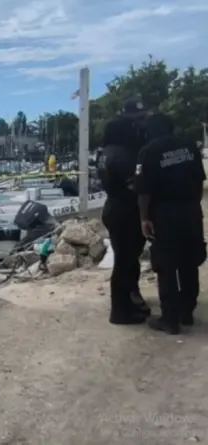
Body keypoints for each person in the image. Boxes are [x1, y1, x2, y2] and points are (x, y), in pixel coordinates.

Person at [135, 113, 206, 334]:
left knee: (166, 266)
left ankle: (170, 319)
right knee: (188, 263)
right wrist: (192, 207)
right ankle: (187, 312)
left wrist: (144, 217)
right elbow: (200, 180)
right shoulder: (189, 146)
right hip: (191, 211)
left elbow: (144, 190)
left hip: (164, 215)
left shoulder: (148, 151)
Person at [98, 95, 152, 324]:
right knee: (124, 263)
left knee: (128, 260)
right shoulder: (121, 156)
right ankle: (120, 312)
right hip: (125, 212)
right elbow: (137, 187)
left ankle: (128, 302)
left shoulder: (108, 152)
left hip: (116, 209)